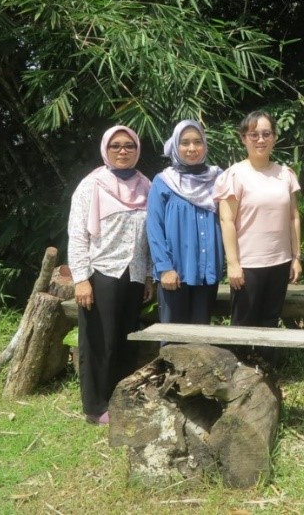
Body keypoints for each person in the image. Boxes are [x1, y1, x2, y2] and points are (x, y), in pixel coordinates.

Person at [68, 125, 154, 424]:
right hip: (101, 272)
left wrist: (148, 275)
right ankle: (96, 406)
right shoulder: (91, 185)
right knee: (98, 341)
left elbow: (151, 236)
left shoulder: (146, 185)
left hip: (133, 273)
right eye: (116, 146)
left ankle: (122, 398)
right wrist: (81, 278)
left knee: (125, 338)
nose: (122, 151)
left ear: (137, 150)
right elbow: (77, 234)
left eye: (129, 146)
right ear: (106, 149)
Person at [213, 111, 302, 355]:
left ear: (274, 137)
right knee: (243, 324)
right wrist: (233, 263)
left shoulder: (285, 174)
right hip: (248, 264)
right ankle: (238, 376)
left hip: (280, 261)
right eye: (254, 135)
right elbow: (227, 219)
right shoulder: (234, 175)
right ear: (243, 138)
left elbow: (294, 216)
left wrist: (296, 257)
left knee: (270, 321)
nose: (260, 140)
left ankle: (265, 373)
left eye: (266, 134)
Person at [147, 120, 223, 326]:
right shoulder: (163, 181)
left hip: (208, 273)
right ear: (175, 146)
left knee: (201, 339)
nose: (192, 148)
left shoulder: (219, 178)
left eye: (198, 142)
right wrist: (164, 268)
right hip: (175, 273)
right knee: (173, 340)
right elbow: (154, 228)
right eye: (185, 142)